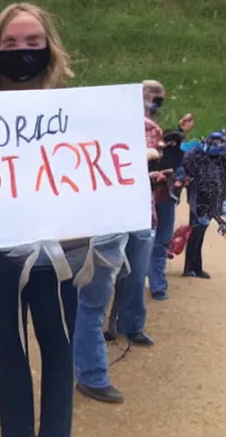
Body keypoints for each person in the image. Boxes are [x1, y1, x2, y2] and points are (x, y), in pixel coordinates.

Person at [0, 2, 129, 437]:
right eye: (11, 43)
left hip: (62, 255)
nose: (22, 50)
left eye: (33, 42)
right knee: (8, 354)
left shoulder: (82, 114)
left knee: (59, 354)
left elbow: (102, 169)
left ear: (50, 49)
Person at [74, 94, 163, 405]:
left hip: (138, 216)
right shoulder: (96, 134)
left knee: (134, 279)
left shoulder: (150, 131)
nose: (153, 108)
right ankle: (92, 374)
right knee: (93, 300)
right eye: (151, 100)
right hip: (105, 223)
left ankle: (128, 327)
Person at [145, 81, 194, 300]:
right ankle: (135, 285)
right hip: (142, 194)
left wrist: (179, 132)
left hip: (164, 191)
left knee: (163, 239)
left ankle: (157, 285)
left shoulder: (156, 128)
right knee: (140, 241)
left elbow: (162, 145)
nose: (157, 102)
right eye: (154, 97)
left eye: (160, 98)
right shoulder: (127, 124)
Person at [181, 131, 226, 278]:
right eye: (216, 141)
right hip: (198, 199)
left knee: (200, 235)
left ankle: (197, 267)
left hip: (212, 200)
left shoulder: (220, 158)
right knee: (194, 234)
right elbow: (187, 166)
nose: (218, 144)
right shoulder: (198, 154)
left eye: (221, 141)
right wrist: (199, 149)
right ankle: (189, 268)